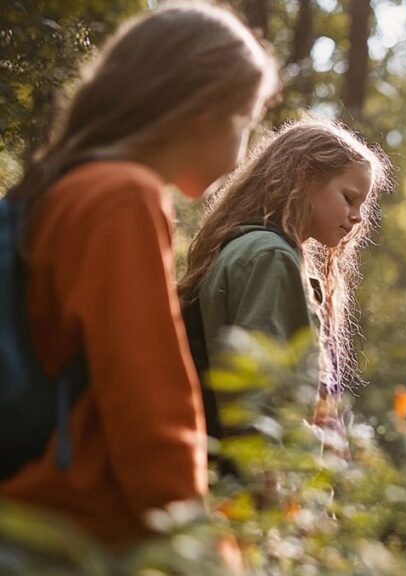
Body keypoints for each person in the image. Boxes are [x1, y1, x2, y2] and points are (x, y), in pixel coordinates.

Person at [0, 4, 278, 547]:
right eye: (245, 120)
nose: (244, 145)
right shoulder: (123, 197)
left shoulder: (59, 187)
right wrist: (205, 551)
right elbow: (150, 413)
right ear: (203, 109)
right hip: (74, 533)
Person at [178, 118, 388, 459]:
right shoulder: (270, 256)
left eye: (362, 205)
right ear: (304, 177)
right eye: (349, 198)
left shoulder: (248, 248)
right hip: (254, 491)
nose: (358, 217)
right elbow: (258, 406)